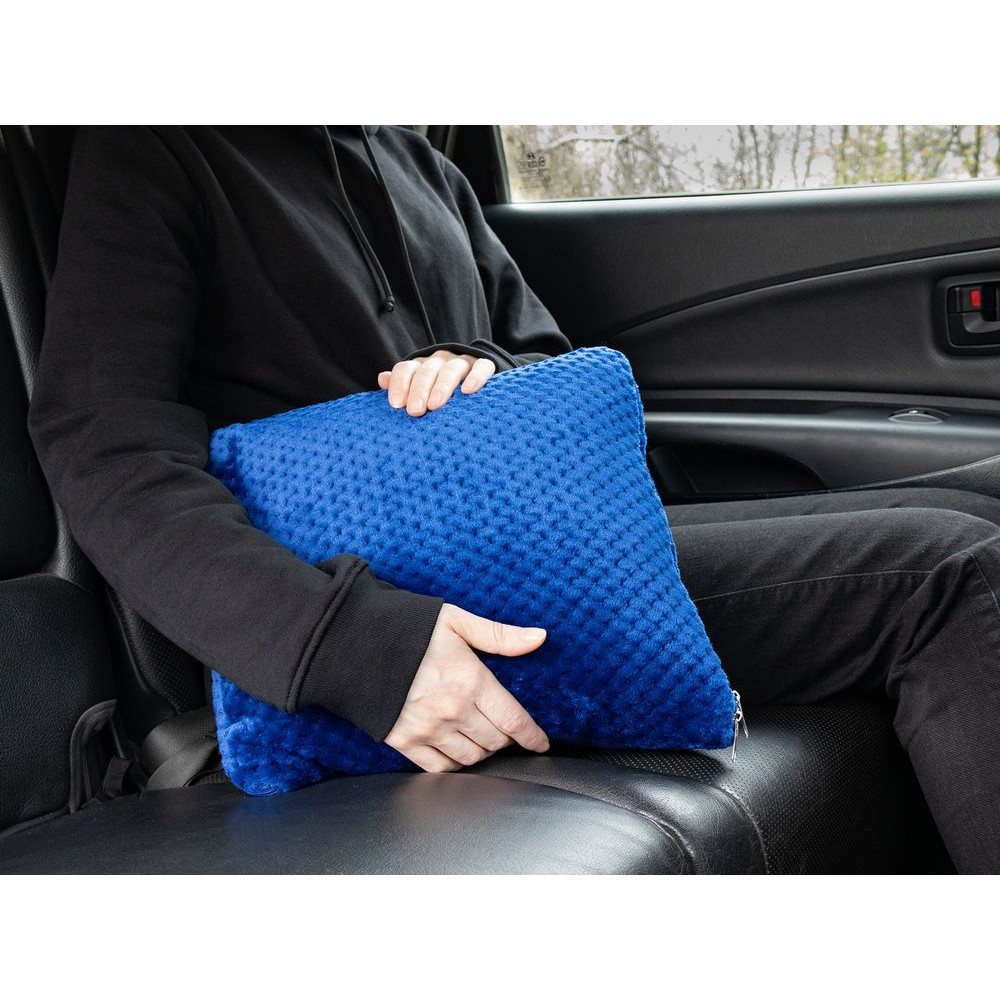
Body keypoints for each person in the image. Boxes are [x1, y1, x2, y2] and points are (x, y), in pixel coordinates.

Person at [27, 126, 999, 874]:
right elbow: (103, 444)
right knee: (951, 573)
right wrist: (351, 648)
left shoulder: (420, 162)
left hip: (549, 533)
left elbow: (542, 355)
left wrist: (481, 366)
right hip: (399, 598)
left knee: (980, 505)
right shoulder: (161, 146)